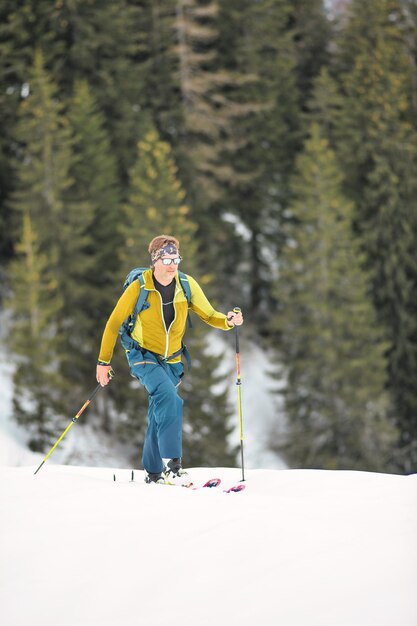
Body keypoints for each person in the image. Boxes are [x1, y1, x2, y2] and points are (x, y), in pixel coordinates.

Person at [96, 235, 243, 485]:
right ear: (155, 261)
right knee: (169, 398)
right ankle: (171, 465)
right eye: (166, 259)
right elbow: (113, 323)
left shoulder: (185, 284)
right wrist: (103, 362)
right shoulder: (139, 287)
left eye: (176, 258)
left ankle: (153, 473)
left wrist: (228, 321)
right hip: (142, 355)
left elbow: (208, 315)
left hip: (173, 360)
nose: (172, 264)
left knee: (159, 410)